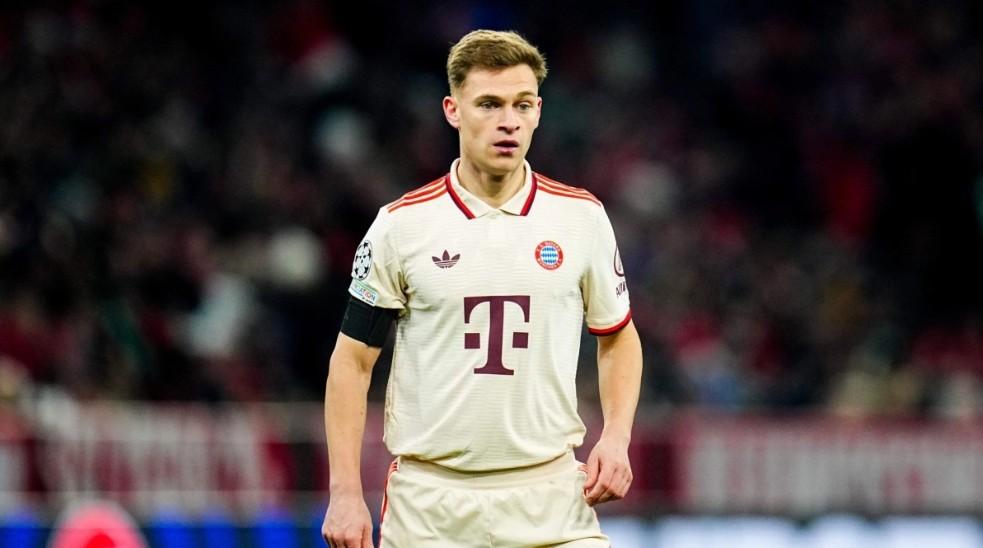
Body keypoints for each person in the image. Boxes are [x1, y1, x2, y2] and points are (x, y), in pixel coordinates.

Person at [321, 29, 643, 548]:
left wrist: (617, 435)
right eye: (489, 104)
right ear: (453, 110)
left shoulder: (581, 218)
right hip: (431, 506)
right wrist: (344, 492)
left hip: (551, 499)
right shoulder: (400, 227)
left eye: (522, 105)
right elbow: (352, 362)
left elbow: (618, 336)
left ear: (538, 112)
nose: (508, 121)